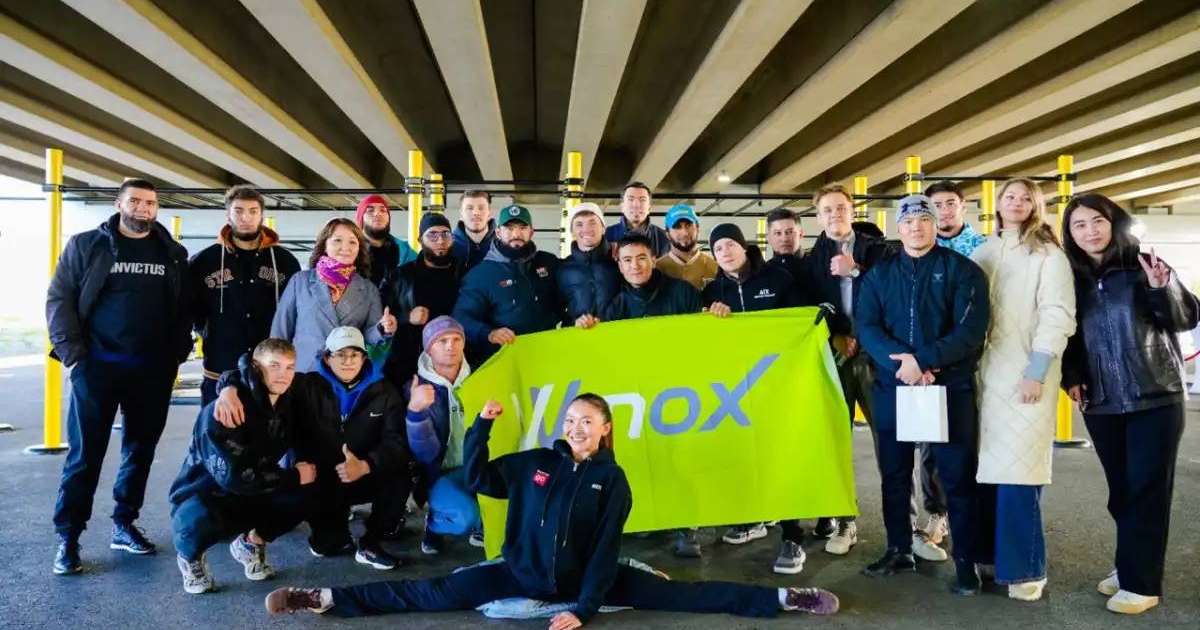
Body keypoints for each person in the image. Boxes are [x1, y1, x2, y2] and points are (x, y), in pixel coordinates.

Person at [265, 394, 840, 623]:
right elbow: (478, 479)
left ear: (606, 428)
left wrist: (584, 609)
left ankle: (789, 599)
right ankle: (323, 599)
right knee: (430, 593)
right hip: (520, 570)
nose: (576, 428)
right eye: (570, 421)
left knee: (688, 595)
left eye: (586, 422)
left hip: (589, 581)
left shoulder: (613, 482)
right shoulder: (537, 460)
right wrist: (484, 427)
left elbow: (605, 550)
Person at [1060, 193, 1199, 615]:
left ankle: (1142, 584)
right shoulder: (1071, 276)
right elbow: (1068, 335)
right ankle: (1130, 564)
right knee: (1121, 492)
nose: (1090, 231)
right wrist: (1072, 376)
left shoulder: (1143, 266)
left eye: (1097, 221)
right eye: (1079, 225)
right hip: (1102, 401)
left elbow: (1185, 318)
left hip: (1155, 394)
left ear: (1113, 222)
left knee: (1147, 490)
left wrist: (1164, 286)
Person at [46, 178, 193, 575]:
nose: (143, 208)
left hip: (152, 370)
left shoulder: (172, 253)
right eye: (136, 201)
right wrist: (74, 356)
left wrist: (177, 353)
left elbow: (183, 309)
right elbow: (59, 299)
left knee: (140, 451)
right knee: (84, 455)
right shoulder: (86, 245)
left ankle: (124, 524)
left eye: (151, 202)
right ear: (119, 203)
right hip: (97, 367)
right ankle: (69, 537)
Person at [855, 194, 990, 595]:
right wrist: (903, 366)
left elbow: (970, 330)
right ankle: (898, 547)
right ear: (899, 229)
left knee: (957, 477)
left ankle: (966, 561)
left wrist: (924, 361)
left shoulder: (963, 272)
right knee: (893, 475)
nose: (916, 227)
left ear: (936, 224)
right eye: (909, 221)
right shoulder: (879, 275)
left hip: (947, 388)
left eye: (924, 219)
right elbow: (867, 326)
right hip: (894, 387)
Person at [216, 327, 412, 570]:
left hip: (361, 472)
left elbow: (396, 442)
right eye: (340, 355)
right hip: (320, 477)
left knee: (401, 472)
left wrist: (365, 465)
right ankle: (256, 538)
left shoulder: (385, 392)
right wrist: (228, 388)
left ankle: (373, 540)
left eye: (354, 355)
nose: (348, 361)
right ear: (327, 358)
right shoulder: (303, 385)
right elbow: (249, 372)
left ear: (364, 358)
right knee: (328, 546)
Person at [971, 179, 1075, 602]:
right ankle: (989, 556)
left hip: (1026, 377)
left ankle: (1026, 565)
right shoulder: (986, 250)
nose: (1016, 203)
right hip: (983, 376)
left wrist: (1036, 370)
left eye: (1025, 197)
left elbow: (1058, 314)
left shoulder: (1048, 255)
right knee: (985, 471)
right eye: (1009, 196)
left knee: (1019, 471)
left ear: (1037, 205)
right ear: (997, 204)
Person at [802, 184, 916, 559]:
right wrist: (834, 336)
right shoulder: (811, 260)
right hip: (835, 359)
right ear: (818, 218)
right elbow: (806, 312)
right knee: (834, 440)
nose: (834, 215)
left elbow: (898, 295)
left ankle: (906, 523)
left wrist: (857, 272)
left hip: (876, 357)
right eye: (827, 210)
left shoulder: (878, 252)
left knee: (891, 440)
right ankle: (844, 519)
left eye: (840, 208)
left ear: (852, 211)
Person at [701, 223, 812, 574]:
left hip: (778, 383)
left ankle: (793, 534)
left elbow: (801, 323)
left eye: (731, 245)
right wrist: (709, 321)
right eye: (718, 249)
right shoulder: (713, 292)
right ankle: (753, 518)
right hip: (736, 389)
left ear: (745, 246)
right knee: (745, 454)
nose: (726, 253)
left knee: (782, 456)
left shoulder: (777, 279)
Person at [169, 338, 314, 594]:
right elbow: (234, 478)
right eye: (274, 365)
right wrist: (292, 476)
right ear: (256, 367)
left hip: (255, 487)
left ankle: (250, 543)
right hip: (208, 494)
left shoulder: (289, 399)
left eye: (289, 367)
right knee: (197, 521)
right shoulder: (223, 411)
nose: (283, 374)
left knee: (306, 492)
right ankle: (189, 556)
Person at [188, 184, 300, 406]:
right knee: (216, 435)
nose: (246, 217)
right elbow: (192, 311)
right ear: (227, 214)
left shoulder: (285, 261)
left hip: (270, 371)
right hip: (220, 368)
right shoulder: (204, 261)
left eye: (253, 211)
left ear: (261, 216)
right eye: (238, 210)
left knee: (270, 437)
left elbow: (296, 312)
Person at [271, 218, 397, 373]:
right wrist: (277, 370)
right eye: (337, 240)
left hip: (346, 374)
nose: (346, 247)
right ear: (324, 244)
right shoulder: (300, 281)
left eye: (352, 242)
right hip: (303, 373)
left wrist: (383, 328)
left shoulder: (368, 289)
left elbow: (369, 335)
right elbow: (280, 332)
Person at [403, 316, 482, 554]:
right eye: (442, 341)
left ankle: (483, 518)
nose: (451, 346)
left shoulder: (481, 377)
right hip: (439, 473)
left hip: (477, 466)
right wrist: (415, 412)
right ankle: (435, 525)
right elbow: (424, 453)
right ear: (429, 349)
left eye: (457, 339)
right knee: (465, 518)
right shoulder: (416, 387)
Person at [453, 204, 561, 364]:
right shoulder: (481, 274)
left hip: (547, 357)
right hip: (504, 362)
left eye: (522, 228)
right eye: (509, 228)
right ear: (498, 232)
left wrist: (579, 317)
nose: (516, 234)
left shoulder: (548, 262)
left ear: (531, 232)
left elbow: (571, 294)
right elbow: (461, 317)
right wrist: (489, 333)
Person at [384, 212, 465, 385]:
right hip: (408, 363)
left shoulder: (465, 273)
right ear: (420, 239)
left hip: (454, 362)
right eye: (432, 235)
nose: (440, 240)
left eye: (445, 234)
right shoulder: (400, 275)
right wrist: (406, 316)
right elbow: (380, 315)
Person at [596, 234, 701, 324]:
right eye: (627, 260)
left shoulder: (685, 292)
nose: (635, 266)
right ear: (620, 267)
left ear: (653, 261)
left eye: (641, 258)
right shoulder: (616, 307)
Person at [557, 202, 620, 326]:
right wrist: (573, 322)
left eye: (592, 223)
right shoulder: (563, 268)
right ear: (572, 231)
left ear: (603, 228)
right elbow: (553, 307)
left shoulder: (619, 261)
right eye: (579, 224)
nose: (586, 229)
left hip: (615, 337)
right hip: (578, 339)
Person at [355, 194, 417, 289]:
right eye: (370, 210)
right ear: (361, 219)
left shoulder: (405, 251)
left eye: (383, 210)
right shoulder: (350, 251)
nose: (377, 214)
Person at [655, 204, 717, 291]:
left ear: (697, 228)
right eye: (677, 227)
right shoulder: (656, 270)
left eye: (688, 225)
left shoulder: (715, 268)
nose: (684, 233)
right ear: (667, 234)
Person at [604, 182, 670, 258]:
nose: (636, 205)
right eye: (631, 199)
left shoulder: (664, 238)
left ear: (649, 208)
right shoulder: (607, 235)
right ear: (622, 207)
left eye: (642, 200)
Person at [929, 181, 988, 257]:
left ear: (963, 206)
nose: (945, 212)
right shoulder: (917, 248)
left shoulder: (984, 246)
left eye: (951, 204)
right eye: (937, 206)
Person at [451, 189, 496, 270]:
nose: (476, 213)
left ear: (489, 213)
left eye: (481, 208)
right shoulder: (448, 245)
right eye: (469, 208)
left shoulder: (502, 244)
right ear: (461, 214)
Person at [764, 207, 806, 283]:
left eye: (790, 232)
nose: (784, 239)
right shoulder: (762, 274)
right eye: (778, 233)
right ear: (768, 238)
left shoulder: (818, 268)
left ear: (801, 234)